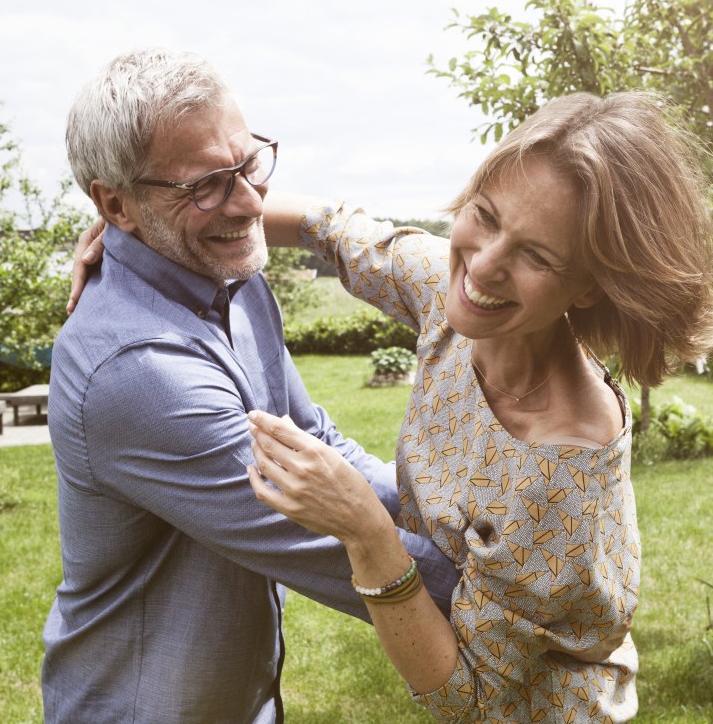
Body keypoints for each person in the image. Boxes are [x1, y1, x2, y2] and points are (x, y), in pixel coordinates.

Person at [244, 91, 713, 722]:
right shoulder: (450, 299)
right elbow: (324, 225)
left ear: (588, 287)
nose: (485, 264)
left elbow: (470, 698)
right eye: (487, 216)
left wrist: (366, 531)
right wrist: (147, 232)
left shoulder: (564, 471)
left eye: (537, 256)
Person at [43, 48, 459, 724]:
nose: (249, 201)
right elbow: (325, 532)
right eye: (206, 184)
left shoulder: (229, 278)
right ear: (114, 203)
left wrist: (459, 523)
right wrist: (522, 592)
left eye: (248, 163)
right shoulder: (137, 370)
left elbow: (317, 447)